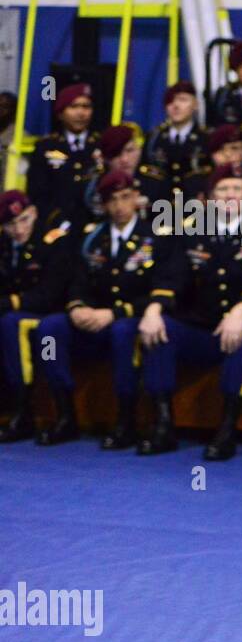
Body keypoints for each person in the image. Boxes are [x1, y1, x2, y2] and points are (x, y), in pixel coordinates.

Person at [137, 165, 242, 458]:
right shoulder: (193, 229)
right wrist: (153, 309)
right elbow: (173, 275)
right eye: (223, 189)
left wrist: (240, 311)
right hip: (200, 325)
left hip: (238, 324)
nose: (231, 195)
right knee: (160, 329)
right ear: (209, 199)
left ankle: (227, 429)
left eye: (237, 189)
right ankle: (164, 425)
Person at [34, 172, 162, 447]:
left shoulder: (154, 236)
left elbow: (161, 291)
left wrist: (114, 313)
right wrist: (77, 306)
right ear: (103, 205)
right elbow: (78, 281)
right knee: (49, 330)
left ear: (136, 198)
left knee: (122, 332)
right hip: (93, 320)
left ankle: (126, 420)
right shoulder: (91, 238)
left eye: (125, 197)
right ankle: (64, 412)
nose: (119, 206)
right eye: (112, 200)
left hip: (128, 319)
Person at [0, 192, 73, 442]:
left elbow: (50, 294)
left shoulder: (52, 241)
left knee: (18, 327)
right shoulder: (4, 245)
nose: (18, 229)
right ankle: (15, 408)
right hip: (22, 315)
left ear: (34, 213)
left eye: (23, 220)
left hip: (56, 315)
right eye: (11, 225)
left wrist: (10, 302)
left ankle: (57, 413)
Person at [26, 84, 99, 227]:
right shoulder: (45, 147)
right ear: (60, 113)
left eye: (86, 106)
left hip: (91, 224)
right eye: (73, 106)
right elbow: (36, 194)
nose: (81, 113)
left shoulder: (100, 145)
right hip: (55, 225)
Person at [144, 81, 207, 190]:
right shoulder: (154, 138)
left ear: (196, 104)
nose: (176, 105)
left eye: (183, 100)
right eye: (170, 101)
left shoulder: (206, 138)